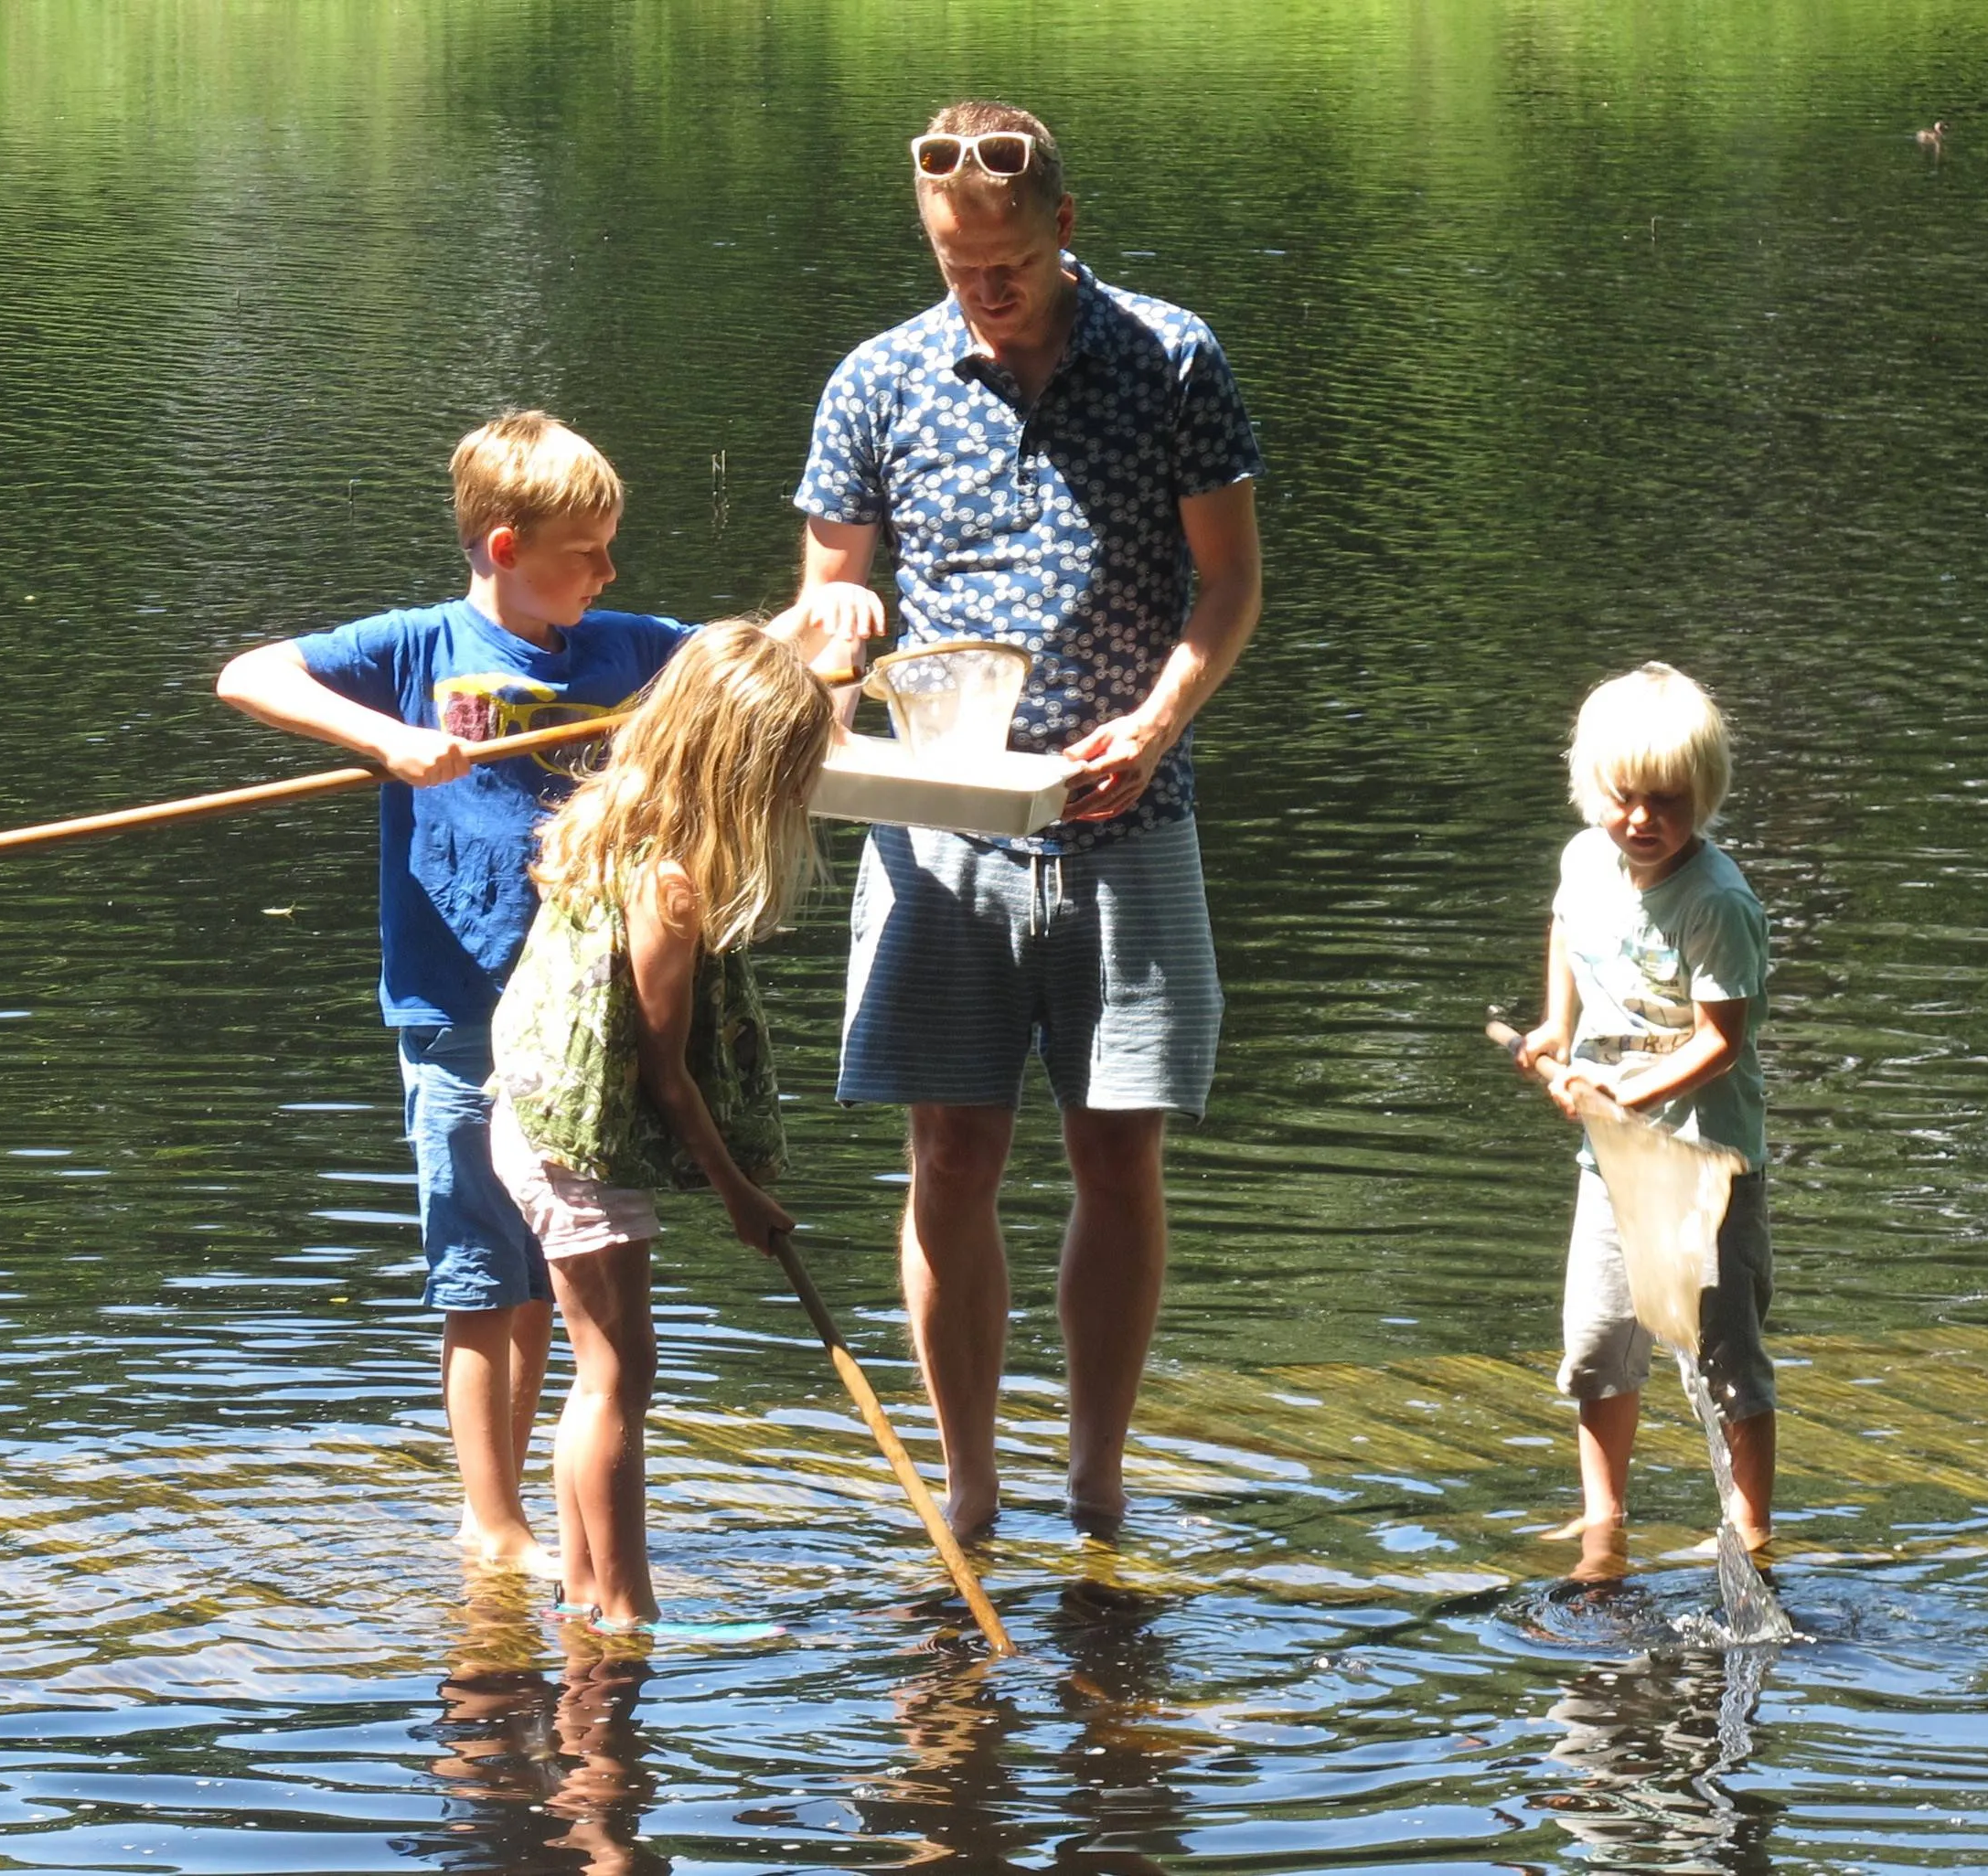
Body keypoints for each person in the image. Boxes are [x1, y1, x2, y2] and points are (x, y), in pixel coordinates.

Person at [787, 101, 1266, 1537]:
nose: (980, 290)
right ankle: (974, 1485)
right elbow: (824, 605)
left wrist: (1158, 723)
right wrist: (834, 632)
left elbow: (1229, 584)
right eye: (953, 262)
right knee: (952, 1152)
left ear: (1063, 227)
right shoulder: (877, 381)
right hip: (940, 819)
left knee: (1121, 1147)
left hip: (1132, 805)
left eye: (1003, 262)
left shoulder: (1170, 355)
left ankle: (1098, 1476)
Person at [216, 412, 698, 1577]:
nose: (608, 571)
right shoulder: (418, 650)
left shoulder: (630, 650)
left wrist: (821, 632)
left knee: (561, 1266)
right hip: (458, 1008)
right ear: (502, 545)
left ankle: (548, 1517)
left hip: (585, 1020)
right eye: (586, 551)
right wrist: (383, 740)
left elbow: (753, 671)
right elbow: (249, 673)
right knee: (487, 1273)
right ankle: (492, 1523)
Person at [485, 624, 835, 1631]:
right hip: (573, 1149)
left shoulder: (606, 815)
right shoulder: (671, 884)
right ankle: (629, 1612)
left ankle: (586, 1594)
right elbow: (666, 1075)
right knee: (621, 1376)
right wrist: (739, 1194)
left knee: (600, 1377)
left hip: (530, 1118)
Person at [1512, 665, 1774, 1556]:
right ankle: (1605, 1515)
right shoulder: (1588, 861)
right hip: (1611, 1162)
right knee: (1596, 1344)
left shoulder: (1716, 900)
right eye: (1627, 798)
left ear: (1701, 794)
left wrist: (1628, 1089)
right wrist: (1558, 1025)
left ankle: (1749, 1528)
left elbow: (1719, 1042)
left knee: (1724, 1355)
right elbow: (1566, 925)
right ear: (1596, 788)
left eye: (1668, 801)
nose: (1643, 820)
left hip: (1704, 1166)